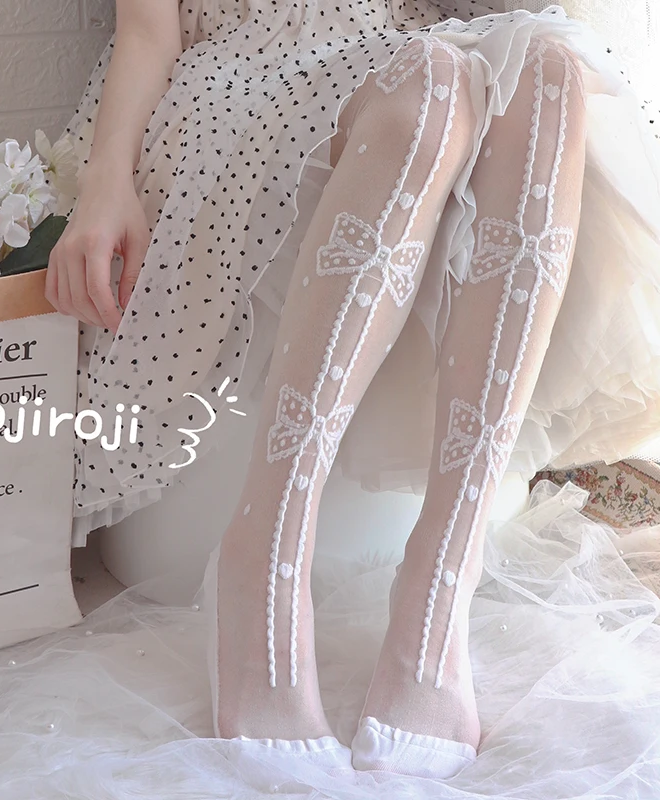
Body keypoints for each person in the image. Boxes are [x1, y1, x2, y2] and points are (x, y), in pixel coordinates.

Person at [43, 0, 660, 781]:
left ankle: (441, 584)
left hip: (401, 44)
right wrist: (105, 182)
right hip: (240, 79)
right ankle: (262, 560)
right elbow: (146, 30)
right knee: (431, 89)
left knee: (547, 73)